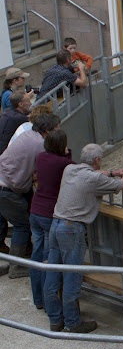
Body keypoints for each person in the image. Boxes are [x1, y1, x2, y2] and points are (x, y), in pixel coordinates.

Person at [44, 143, 123, 333]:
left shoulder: (69, 169)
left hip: (55, 225)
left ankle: (55, 320)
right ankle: (73, 322)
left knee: (52, 275)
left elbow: (96, 174)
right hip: (72, 230)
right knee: (72, 277)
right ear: (98, 160)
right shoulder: (93, 179)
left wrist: (113, 172)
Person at [0, 112, 60, 279]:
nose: (59, 130)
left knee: (22, 223)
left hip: (4, 183)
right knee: (22, 225)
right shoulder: (40, 144)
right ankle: (17, 267)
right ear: (47, 130)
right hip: (6, 189)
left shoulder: (27, 133)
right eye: (56, 128)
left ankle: (15, 261)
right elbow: (44, 171)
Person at [29, 128, 74, 308]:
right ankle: (50, 304)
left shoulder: (41, 157)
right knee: (48, 260)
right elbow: (73, 167)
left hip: (35, 210)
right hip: (49, 214)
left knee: (36, 255)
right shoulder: (63, 163)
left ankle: (38, 299)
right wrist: (67, 153)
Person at [0, 89, 33, 153]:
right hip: (6, 153)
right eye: (28, 101)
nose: (30, 103)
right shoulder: (19, 118)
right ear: (20, 104)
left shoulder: (7, 111)